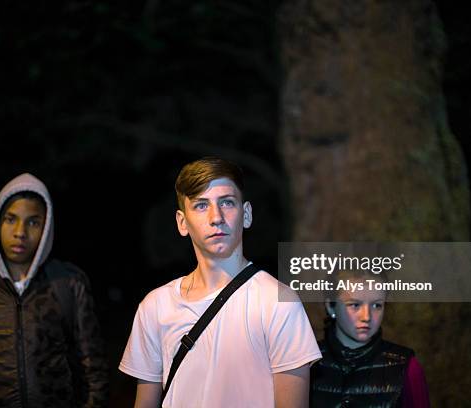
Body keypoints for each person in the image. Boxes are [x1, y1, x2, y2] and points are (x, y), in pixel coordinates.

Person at [119, 157, 322, 407]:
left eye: (226, 202)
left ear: (246, 214)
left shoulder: (278, 302)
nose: (217, 217)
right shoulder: (156, 306)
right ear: (182, 223)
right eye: (201, 205)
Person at [0, 173, 109, 407]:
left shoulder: (69, 283)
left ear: (47, 227)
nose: (20, 232)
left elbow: (95, 375)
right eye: (10, 219)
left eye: (33, 222)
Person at [310, 270, 430, 407]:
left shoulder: (408, 367)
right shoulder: (306, 362)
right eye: (354, 305)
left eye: (376, 305)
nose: (366, 316)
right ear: (331, 307)